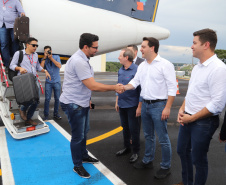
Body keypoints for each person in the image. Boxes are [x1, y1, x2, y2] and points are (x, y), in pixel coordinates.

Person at [59, 33, 124, 179]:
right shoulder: (79, 61)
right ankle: (77, 165)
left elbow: (85, 85)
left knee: (84, 131)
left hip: (81, 102)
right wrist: (114, 87)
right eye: (95, 47)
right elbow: (92, 85)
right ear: (85, 46)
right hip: (73, 104)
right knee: (77, 136)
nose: (97, 50)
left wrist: (88, 99)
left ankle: (83, 155)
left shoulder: (83, 58)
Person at [175, 28, 226, 185]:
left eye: (194, 43)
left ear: (206, 45)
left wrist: (192, 117)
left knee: (198, 159)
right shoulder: (197, 67)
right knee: (182, 151)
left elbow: (217, 104)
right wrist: (182, 109)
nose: (191, 46)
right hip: (189, 117)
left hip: (203, 122)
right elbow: (191, 92)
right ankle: (187, 182)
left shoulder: (218, 69)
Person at [122, 37, 177, 179]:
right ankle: (147, 161)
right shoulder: (142, 66)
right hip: (145, 105)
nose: (140, 49)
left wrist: (168, 107)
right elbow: (134, 82)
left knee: (163, 138)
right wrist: (123, 87)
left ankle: (165, 166)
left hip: (159, 106)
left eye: (143, 47)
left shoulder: (166, 65)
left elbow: (172, 88)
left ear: (152, 48)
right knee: (148, 136)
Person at [10, 37, 51, 126]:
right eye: (33, 45)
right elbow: (11, 65)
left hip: (34, 79)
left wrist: (45, 71)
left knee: (36, 100)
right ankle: (22, 108)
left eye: (37, 45)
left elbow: (38, 67)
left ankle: (28, 118)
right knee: (27, 99)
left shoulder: (35, 55)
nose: (35, 47)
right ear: (27, 45)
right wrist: (19, 68)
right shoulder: (19, 53)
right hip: (24, 80)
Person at [115, 48, 141, 163]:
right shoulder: (120, 70)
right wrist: (117, 101)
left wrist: (139, 107)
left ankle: (135, 151)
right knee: (125, 128)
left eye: (120, 56)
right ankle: (126, 147)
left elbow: (141, 90)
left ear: (126, 57)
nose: (118, 57)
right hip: (122, 104)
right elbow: (118, 86)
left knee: (134, 129)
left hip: (133, 105)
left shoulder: (137, 70)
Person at [0, 0, 25, 67]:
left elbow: (21, 12)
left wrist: (22, 15)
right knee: (3, 44)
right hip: (2, 25)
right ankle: (8, 64)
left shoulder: (15, 1)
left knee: (15, 42)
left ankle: (15, 62)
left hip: (14, 25)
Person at [40, 46, 62, 120]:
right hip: (48, 82)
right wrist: (45, 58)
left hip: (57, 81)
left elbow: (59, 66)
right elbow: (41, 68)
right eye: (46, 51)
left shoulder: (56, 57)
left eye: (49, 51)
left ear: (51, 51)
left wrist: (51, 58)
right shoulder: (44, 59)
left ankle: (56, 114)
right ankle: (46, 115)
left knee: (57, 99)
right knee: (47, 99)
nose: (48, 53)